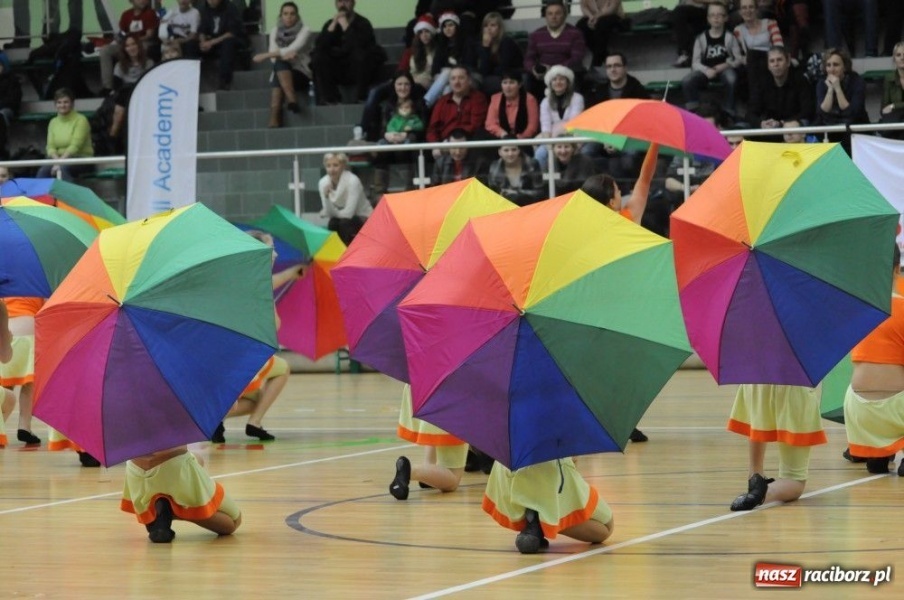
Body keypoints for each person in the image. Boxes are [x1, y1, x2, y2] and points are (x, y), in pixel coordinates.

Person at [844, 244, 904, 475]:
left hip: (859, 411)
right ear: (896, 269)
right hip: (896, 408)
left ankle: (876, 454)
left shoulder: (855, 310)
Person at [483, 457, 614, 553]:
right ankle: (543, 520)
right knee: (606, 528)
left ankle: (534, 521)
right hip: (550, 471)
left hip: (506, 472)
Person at [727, 384, 826, 510]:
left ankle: (755, 474)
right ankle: (763, 493)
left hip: (755, 385)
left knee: (758, 423)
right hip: (794, 389)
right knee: (794, 480)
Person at [120, 445, 242, 543]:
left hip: (136, 473)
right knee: (234, 522)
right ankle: (177, 510)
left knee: (197, 459)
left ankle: (162, 511)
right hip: (175, 467)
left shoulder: (121, 417)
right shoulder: (172, 413)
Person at [389, 385, 469, 500]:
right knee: (453, 479)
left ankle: (428, 471)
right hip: (450, 397)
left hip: (423, 389)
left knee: (433, 430)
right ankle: (411, 471)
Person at [312, 0, 386, 105]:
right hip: (337, 67)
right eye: (339, 2)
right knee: (318, 56)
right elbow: (319, 46)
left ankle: (361, 97)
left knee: (360, 54)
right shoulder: (330, 23)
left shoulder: (363, 23)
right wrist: (333, 24)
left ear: (353, 3)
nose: (342, 5)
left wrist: (346, 26)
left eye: (346, 1)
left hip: (358, 68)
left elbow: (359, 45)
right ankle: (331, 98)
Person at [253, 2, 314, 128]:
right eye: (285, 14)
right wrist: (281, 55)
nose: (289, 17)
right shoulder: (275, 31)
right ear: (281, 16)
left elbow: (294, 48)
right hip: (282, 71)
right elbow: (275, 58)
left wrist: (265, 55)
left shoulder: (305, 30)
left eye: (292, 14)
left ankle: (275, 116)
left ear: (297, 16)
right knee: (280, 64)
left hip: (301, 73)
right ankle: (291, 100)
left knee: (279, 69)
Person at [681, 1, 743, 117]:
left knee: (731, 78)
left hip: (724, 69)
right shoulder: (701, 38)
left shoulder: (730, 37)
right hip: (706, 71)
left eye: (720, 15)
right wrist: (706, 70)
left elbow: (738, 59)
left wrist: (726, 65)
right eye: (713, 15)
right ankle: (694, 113)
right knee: (687, 81)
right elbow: (695, 62)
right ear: (708, 18)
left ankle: (729, 112)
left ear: (726, 18)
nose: (716, 18)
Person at [0, 297, 44, 446]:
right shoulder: (38, 283)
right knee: (29, 384)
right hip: (29, 327)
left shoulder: (6, 280)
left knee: (6, 385)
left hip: (6, 328)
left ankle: (1, 428)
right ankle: (24, 426)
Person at [523, 0, 588, 99]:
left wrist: (553, 70)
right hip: (543, 75)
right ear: (545, 16)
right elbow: (528, 58)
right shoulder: (536, 34)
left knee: (575, 75)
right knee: (527, 78)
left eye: (558, 13)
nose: (553, 17)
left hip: (566, 73)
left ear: (565, 15)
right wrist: (533, 69)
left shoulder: (575, 33)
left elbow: (576, 58)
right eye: (550, 14)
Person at [746, 45, 815, 133]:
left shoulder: (800, 80)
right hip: (770, 128)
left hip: (793, 126)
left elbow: (808, 111)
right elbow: (750, 112)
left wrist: (783, 123)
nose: (776, 64)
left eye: (779, 60)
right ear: (768, 66)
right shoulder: (762, 83)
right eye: (772, 61)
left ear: (788, 62)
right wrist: (761, 123)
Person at [97, 0, 160, 94]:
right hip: (127, 42)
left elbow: (149, 35)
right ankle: (108, 87)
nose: (143, 1)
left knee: (143, 47)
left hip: (144, 43)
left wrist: (134, 41)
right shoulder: (126, 15)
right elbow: (122, 33)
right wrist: (120, 39)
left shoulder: (150, 13)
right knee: (105, 50)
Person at [815, 47, 869, 153]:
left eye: (836, 65)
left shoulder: (857, 82)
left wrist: (838, 88)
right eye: (828, 65)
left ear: (844, 67)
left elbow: (852, 112)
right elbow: (822, 111)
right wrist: (830, 89)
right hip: (830, 130)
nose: (832, 69)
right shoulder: (821, 83)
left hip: (854, 129)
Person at [425, 65, 488, 155]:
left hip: (469, 143)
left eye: (461, 78)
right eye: (453, 79)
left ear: (469, 81)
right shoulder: (442, 101)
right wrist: (436, 145)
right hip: (445, 146)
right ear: (449, 82)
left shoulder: (478, 98)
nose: (456, 82)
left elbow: (476, 125)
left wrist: (453, 139)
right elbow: (432, 129)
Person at [36, 88, 94, 182]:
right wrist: (57, 161)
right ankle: (39, 197)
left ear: (72, 103)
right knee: (43, 171)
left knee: (63, 169)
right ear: (55, 105)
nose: (62, 105)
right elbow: (50, 146)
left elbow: (75, 146)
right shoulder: (53, 122)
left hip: (81, 158)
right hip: (58, 158)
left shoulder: (81, 120)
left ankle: (67, 196)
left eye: (66, 102)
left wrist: (59, 163)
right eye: (59, 102)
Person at [424, 12, 478, 107]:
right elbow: (435, 69)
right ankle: (447, 117)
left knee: (448, 71)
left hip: (467, 77)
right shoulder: (441, 45)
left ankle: (426, 103)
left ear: (456, 26)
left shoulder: (467, 42)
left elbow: (469, 65)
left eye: (450, 25)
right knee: (447, 89)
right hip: (447, 80)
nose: (447, 29)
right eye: (444, 26)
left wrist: (451, 71)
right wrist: (440, 75)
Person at [534, 65, 585, 167]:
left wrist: (561, 143)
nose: (558, 82)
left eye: (562, 79)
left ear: (568, 82)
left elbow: (574, 123)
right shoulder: (545, 101)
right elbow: (545, 126)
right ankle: (545, 181)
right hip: (552, 138)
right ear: (550, 83)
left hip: (574, 135)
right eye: (554, 80)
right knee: (540, 154)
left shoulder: (577, 98)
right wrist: (550, 146)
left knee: (580, 153)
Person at [318, 152, 373, 246]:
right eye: (328, 166)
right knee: (333, 223)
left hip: (362, 217)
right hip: (342, 218)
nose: (332, 169)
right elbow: (329, 212)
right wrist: (327, 198)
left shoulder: (352, 180)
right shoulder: (323, 183)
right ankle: (336, 253)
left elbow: (349, 213)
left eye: (335, 165)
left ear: (343, 166)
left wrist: (329, 212)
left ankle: (347, 253)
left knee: (344, 223)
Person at [108, 36, 155, 144]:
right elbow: (117, 88)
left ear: (138, 45)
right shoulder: (119, 66)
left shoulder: (149, 63)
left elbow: (151, 85)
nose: (131, 48)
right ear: (124, 49)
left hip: (144, 95)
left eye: (133, 44)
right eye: (127, 46)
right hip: (125, 97)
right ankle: (112, 137)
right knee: (123, 97)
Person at [733, 0, 783, 98]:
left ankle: (755, 100)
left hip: (771, 59)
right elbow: (738, 55)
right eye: (744, 8)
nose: (748, 11)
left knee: (754, 57)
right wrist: (745, 60)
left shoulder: (770, 23)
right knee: (751, 58)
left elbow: (779, 46)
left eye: (751, 7)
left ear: (756, 9)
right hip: (751, 64)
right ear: (740, 12)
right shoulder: (738, 30)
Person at [199, 0, 244, 91]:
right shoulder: (204, 9)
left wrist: (211, 42)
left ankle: (225, 81)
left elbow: (231, 33)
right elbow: (201, 30)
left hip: (228, 40)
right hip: (211, 41)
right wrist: (203, 42)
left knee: (228, 44)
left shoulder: (230, 8)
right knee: (191, 45)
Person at [483, 69, 540, 141]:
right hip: (501, 138)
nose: (508, 86)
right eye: (505, 83)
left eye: (512, 82)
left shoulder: (530, 99)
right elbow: (490, 124)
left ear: (520, 84)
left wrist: (521, 137)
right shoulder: (495, 98)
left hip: (523, 139)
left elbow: (532, 126)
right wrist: (504, 135)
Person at [474, 11, 523, 95]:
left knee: (487, 83)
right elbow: (483, 70)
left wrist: (490, 71)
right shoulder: (482, 44)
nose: (489, 28)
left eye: (493, 25)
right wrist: (486, 47)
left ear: (499, 28)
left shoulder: (507, 42)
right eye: (486, 26)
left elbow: (504, 67)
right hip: (494, 76)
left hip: (511, 74)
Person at [486, 139, 544, 206]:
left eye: (514, 150)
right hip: (503, 207)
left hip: (529, 206)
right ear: (500, 152)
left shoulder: (532, 164)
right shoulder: (494, 166)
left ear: (519, 150)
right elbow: (492, 194)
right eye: (506, 150)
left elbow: (540, 192)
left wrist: (517, 194)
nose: (510, 154)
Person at [576, 0, 627, 68]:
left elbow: (612, 9)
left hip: (612, 16)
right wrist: (591, 17)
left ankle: (597, 62)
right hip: (592, 17)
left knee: (601, 25)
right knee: (580, 26)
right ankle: (604, 55)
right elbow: (584, 7)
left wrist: (597, 17)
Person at [670, 0, 719, 68]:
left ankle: (687, 54)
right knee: (678, 14)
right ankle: (686, 53)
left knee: (679, 12)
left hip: (707, 9)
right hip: (689, 10)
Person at [397, 14, 438, 92]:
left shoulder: (437, 51)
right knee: (376, 91)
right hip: (408, 83)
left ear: (432, 33)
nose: (424, 35)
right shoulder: (410, 51)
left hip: (426, 85)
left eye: (427, 31)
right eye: (421, 32)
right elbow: (402, 69)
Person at [879, 41, 904, 140]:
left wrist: (894, 106)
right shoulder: (889, 78)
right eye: (898, 55)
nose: (902, 58)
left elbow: (890, 107)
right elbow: (884, 109)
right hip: (896, 126)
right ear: (894, 58)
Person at [0, 50, 22, 161]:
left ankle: (2, 150)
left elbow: (13, 100)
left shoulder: (12, 80)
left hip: (8, 109)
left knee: (1, 115)